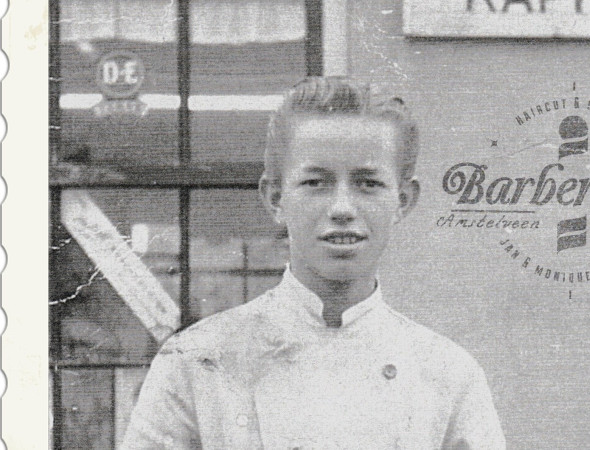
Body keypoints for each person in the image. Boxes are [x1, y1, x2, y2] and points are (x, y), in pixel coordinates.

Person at [122, 77, 506, 449]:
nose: (342, 208)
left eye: (368, 183)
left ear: (403, 200)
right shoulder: (195, 363)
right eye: (315, 182)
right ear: (275, 198)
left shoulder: (449, 376)